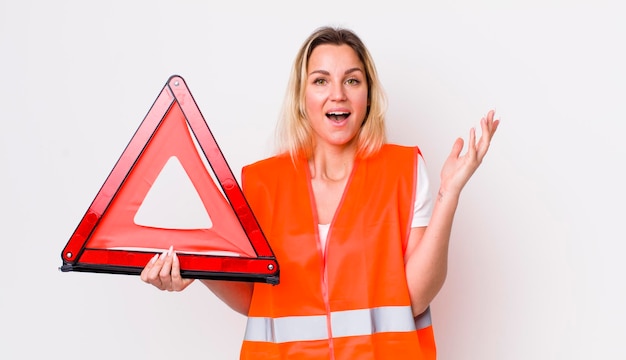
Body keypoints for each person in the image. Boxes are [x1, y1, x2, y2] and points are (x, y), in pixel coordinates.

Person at [140, 26, 499, 360]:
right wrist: (201, 268)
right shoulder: (260, 184)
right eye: (321, 80)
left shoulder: (403, 171)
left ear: (369, 96)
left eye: (352, 80)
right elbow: (255, 299)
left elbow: (416, 297)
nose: (337, 94)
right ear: (302, 96)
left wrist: (448, 194)